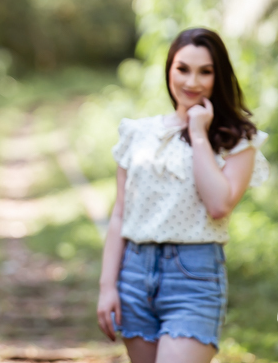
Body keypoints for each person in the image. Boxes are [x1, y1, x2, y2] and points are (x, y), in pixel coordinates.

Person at [96, 28, 269, 363]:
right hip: (134, 274)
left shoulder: (237, 140)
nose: (192, 81)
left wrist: (198, 133)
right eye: (183, 69)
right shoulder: (137, 133)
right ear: (169, 70)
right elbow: (120, 214)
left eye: (205, 71)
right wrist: (107, 287)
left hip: (194, 278)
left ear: (219, 76)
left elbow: (219, 205)